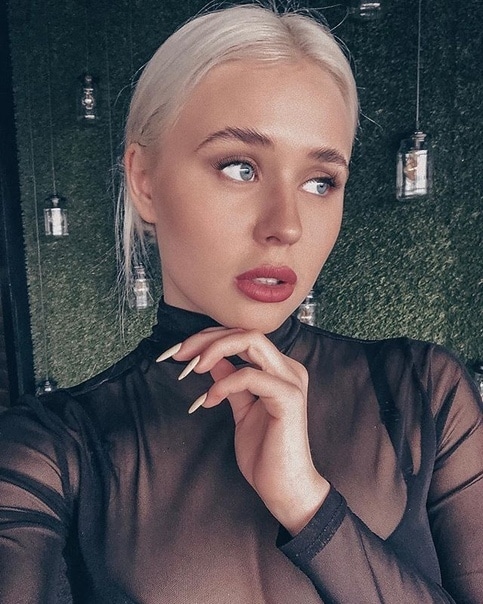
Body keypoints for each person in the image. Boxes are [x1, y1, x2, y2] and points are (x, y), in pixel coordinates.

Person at [1, 4, 482, 603]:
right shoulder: (48, 450)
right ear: (145, 181)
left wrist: (309, 505)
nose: (286, 225)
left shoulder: (425, 392)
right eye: (239, 167)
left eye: (320, 182)